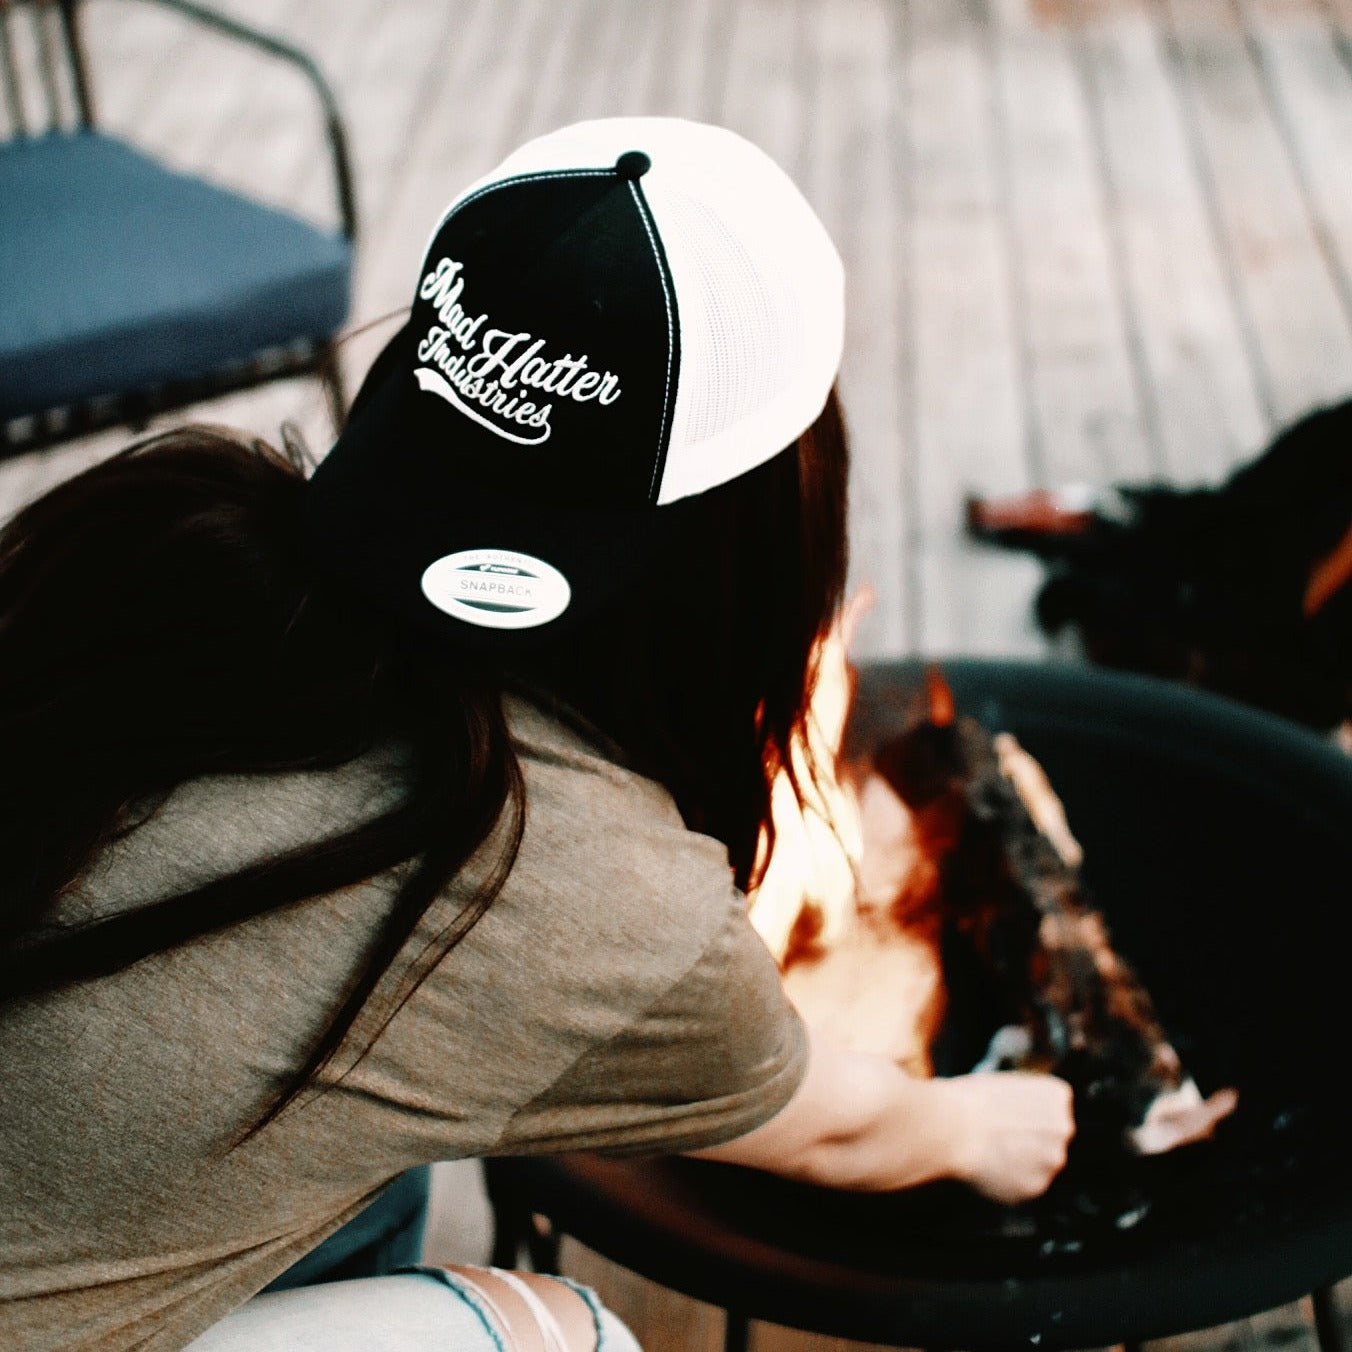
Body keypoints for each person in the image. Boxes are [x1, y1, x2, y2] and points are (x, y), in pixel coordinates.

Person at [0, 118, 1074, 1352]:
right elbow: (835, 1126)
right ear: (760, 537)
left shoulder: (153, 528)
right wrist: (974, 1127)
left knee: (353, 1163)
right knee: (565, 1335)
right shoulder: (571, 873)